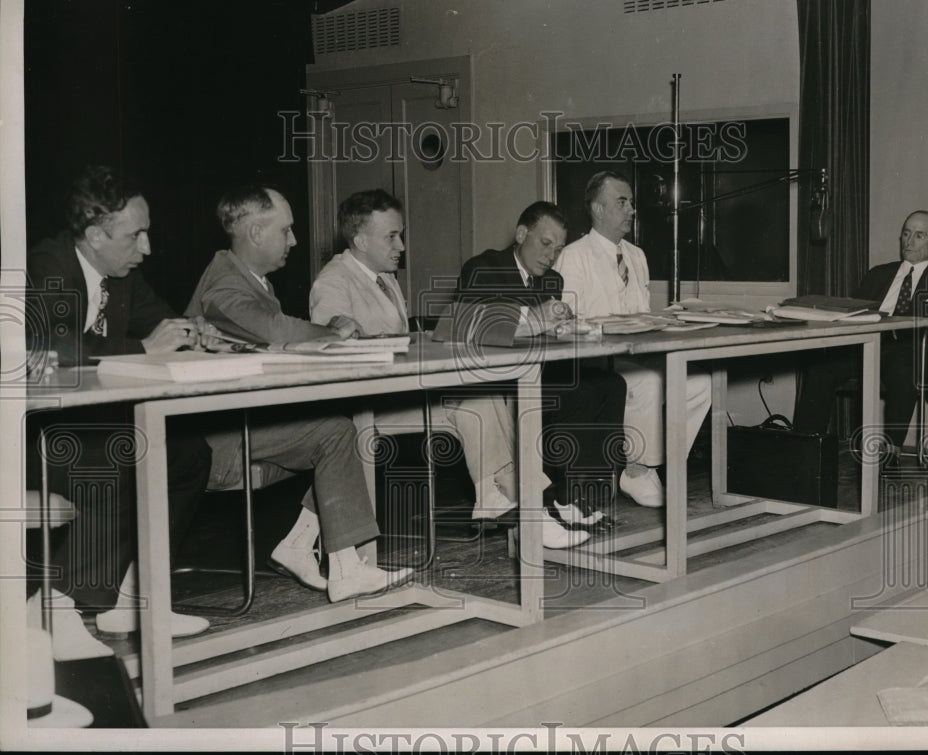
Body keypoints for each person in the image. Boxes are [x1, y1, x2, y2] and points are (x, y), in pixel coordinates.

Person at [184, 184, 412, 602]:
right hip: (215, 439)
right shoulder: (225, 286)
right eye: (285, 230)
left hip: (241, 420)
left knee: (337, 434)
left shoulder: (251, 280)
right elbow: (273, 331)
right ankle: (346, 570)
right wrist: (332, 331)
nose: (294, 240)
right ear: (255, 233)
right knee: (337, 433)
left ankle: (302, 547)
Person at [26, 164, 211, 656]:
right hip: (30, 433)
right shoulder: (46, 264)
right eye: (136, 235)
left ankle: (133, 596)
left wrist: (196, 332)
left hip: (82, 423)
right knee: (124, 455)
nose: (147, 248)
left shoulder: (123, 275)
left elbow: (164, 321)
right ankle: (53, 604)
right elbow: (58, 349)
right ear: (94, 234)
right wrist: (145, 348)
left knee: (188, 454)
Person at [310, 189, 521, 522]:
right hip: (365, 406)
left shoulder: (385, 279)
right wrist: (342, 330)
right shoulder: (333, 281)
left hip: (400, 393)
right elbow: (330, 344)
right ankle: (513, 491)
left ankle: (497, 491)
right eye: (392, 237)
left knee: (485, 391)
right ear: (361, 240)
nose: (402, 247)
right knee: (477, 398)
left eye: (401, 235)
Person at [457, 201, 629, 548]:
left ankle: (580, 497)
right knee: (576, 393)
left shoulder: (553, 280)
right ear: (521, 235)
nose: (551, 255)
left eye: (559, 248)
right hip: (495, 379)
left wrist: (566, 325)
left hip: (535, 371)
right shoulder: (483, 267)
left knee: (611, 384)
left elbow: (547, 334)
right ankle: (557, 497)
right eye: (545, 243)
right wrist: (538, 317)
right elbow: (477, 327)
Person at [555, 171, 713, 507]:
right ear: (597, 209)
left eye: (631, 203)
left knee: (699, 382)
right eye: (622, 202)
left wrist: (669, 317)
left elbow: (642, 311)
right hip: (594, 361)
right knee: (647, 382)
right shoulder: (574, 256)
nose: (631, 210)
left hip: (636, 352)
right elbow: (566, 323)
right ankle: (637, 469)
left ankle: (655, 463)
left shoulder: (636, 256)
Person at [794, 210, 928, 463]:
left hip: (909, 351)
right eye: (906, 233)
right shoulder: (878, 274)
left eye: (919, 235)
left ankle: (890, 452)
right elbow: (856, 313)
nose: (909, 241)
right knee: (821, 366)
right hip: (866, 346)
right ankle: (804, 447)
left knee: (905, 367)